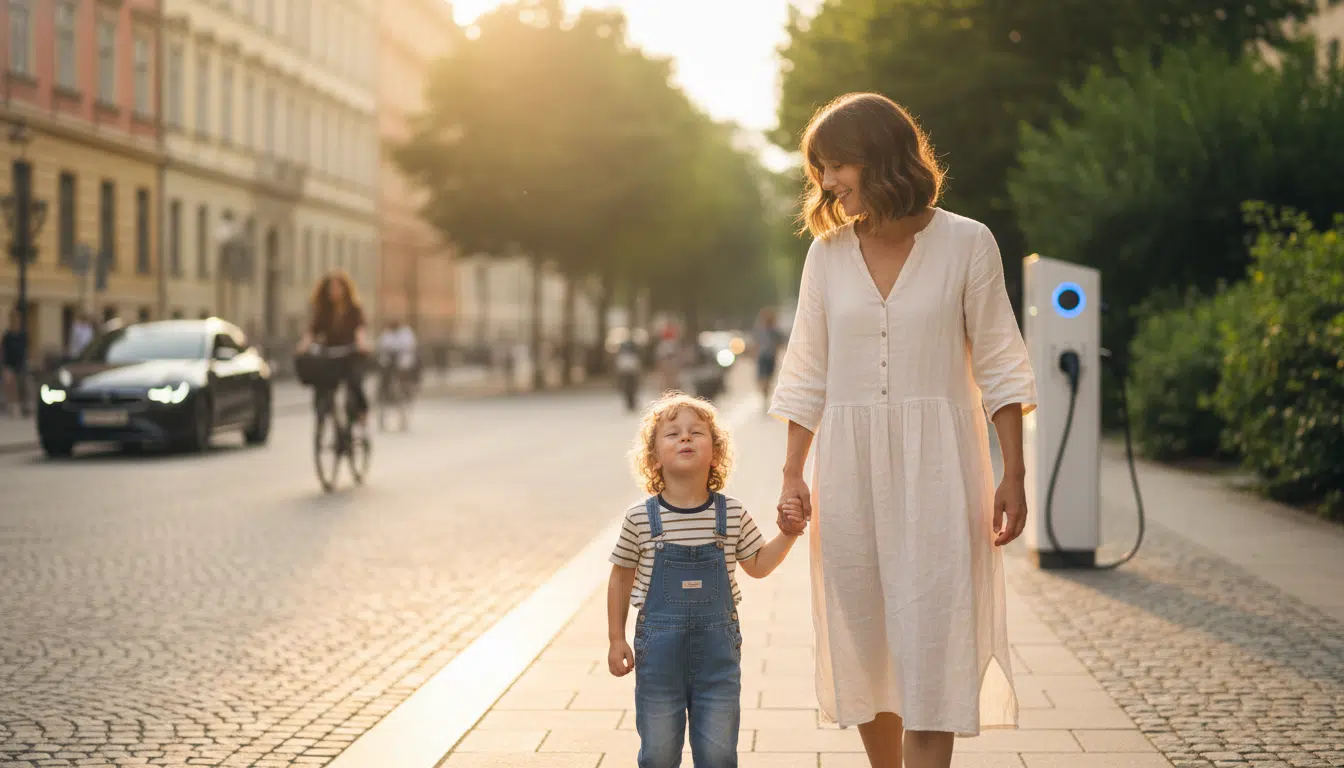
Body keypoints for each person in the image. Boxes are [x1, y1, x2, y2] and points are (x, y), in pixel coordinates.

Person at [769, 92, 1037, 768]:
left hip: (942, 467)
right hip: (849, 469)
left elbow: (1002, 362)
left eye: (837, 166)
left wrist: (1015, 472)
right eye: (821, 171)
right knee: (866, 640)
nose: (827, 185)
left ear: (881, 157)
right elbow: (806, 369)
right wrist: (791, 471)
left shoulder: (967, 242)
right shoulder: (827, 256)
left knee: (931, 643)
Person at [607, 392, 807, 768]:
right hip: (658, 659)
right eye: (673, 434)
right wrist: (616, 637)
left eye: (696, 432)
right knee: (658, 752)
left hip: (717, 660)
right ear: (653, 457)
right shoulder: (639, 519)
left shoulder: (730, 514)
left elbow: (758, 565)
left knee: (718, 753)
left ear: (714, 452)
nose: (685, 438)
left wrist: (789, 534)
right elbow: (620, 576)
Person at [295, 270, 372, 426]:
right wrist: (304, 345)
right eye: (331, 288)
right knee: (321, 383)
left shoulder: (354, 309)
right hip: (329, 353)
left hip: (350, 351)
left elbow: (359, 330)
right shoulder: (323, 310)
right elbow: (312, 331)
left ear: (345, 289)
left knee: (355, 382)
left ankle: (361, 413)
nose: (334, 291)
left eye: (338, 287)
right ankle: (322, 414)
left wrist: (361, 343)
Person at [2, 307, 28, 417]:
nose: (15, 320)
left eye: (17, 318)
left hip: (20, 363)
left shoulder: (22, 334)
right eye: (13, 318)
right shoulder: (7, 335)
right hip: (9, 364)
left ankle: (23, 407)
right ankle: (11, 406)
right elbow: (3, 349)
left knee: (22, 385)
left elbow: (27, 348)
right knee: (10, 385)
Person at [752, 307, 782, 405]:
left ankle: (766, 393)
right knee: (762, 378)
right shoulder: (759, 331)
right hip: (763, 357)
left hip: (770, 357)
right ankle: (764, 393)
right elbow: (756, 344)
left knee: (768, 378)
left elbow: (778, 344)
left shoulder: (775, 331)